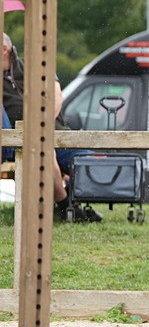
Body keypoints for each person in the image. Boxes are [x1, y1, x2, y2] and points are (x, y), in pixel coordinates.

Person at [2, 34, 100, 222]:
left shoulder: (35, 67)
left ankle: (74, 200)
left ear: (4, 50)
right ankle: (67, 208)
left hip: (57, 134)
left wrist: (43, 126)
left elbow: (56, 97)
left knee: (91, 164)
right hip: (24, 141)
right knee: (46, 154)